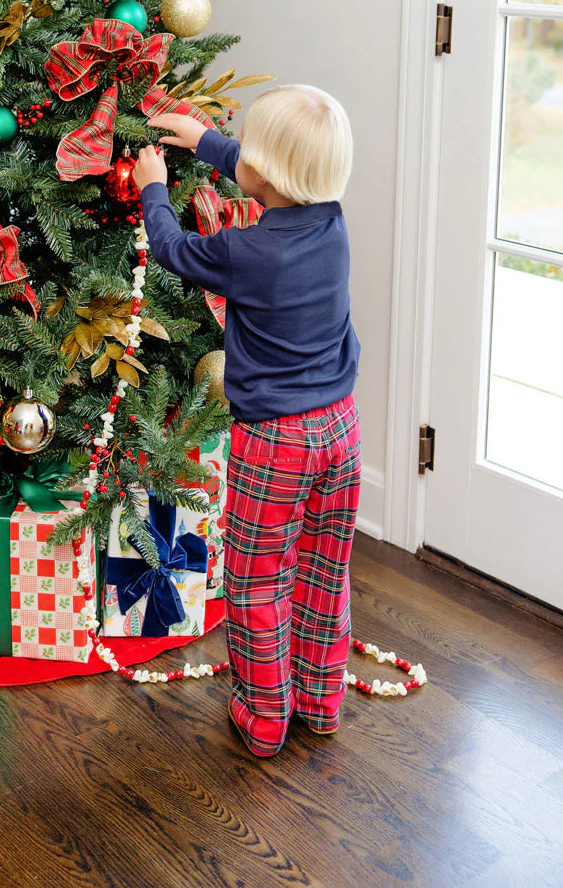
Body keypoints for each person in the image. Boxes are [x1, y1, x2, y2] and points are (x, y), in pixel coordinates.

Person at [133, 85, 361, 757]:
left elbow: (173, 249)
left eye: (246, 156)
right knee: (325, 568)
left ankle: (264, 716)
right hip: (340, 429)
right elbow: (268, 172)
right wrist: (205, 140)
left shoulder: (244, 251)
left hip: (276, 439)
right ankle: (321, 700)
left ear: (265, 174)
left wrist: (154, 188)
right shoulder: (332, 218)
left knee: (260, 578)